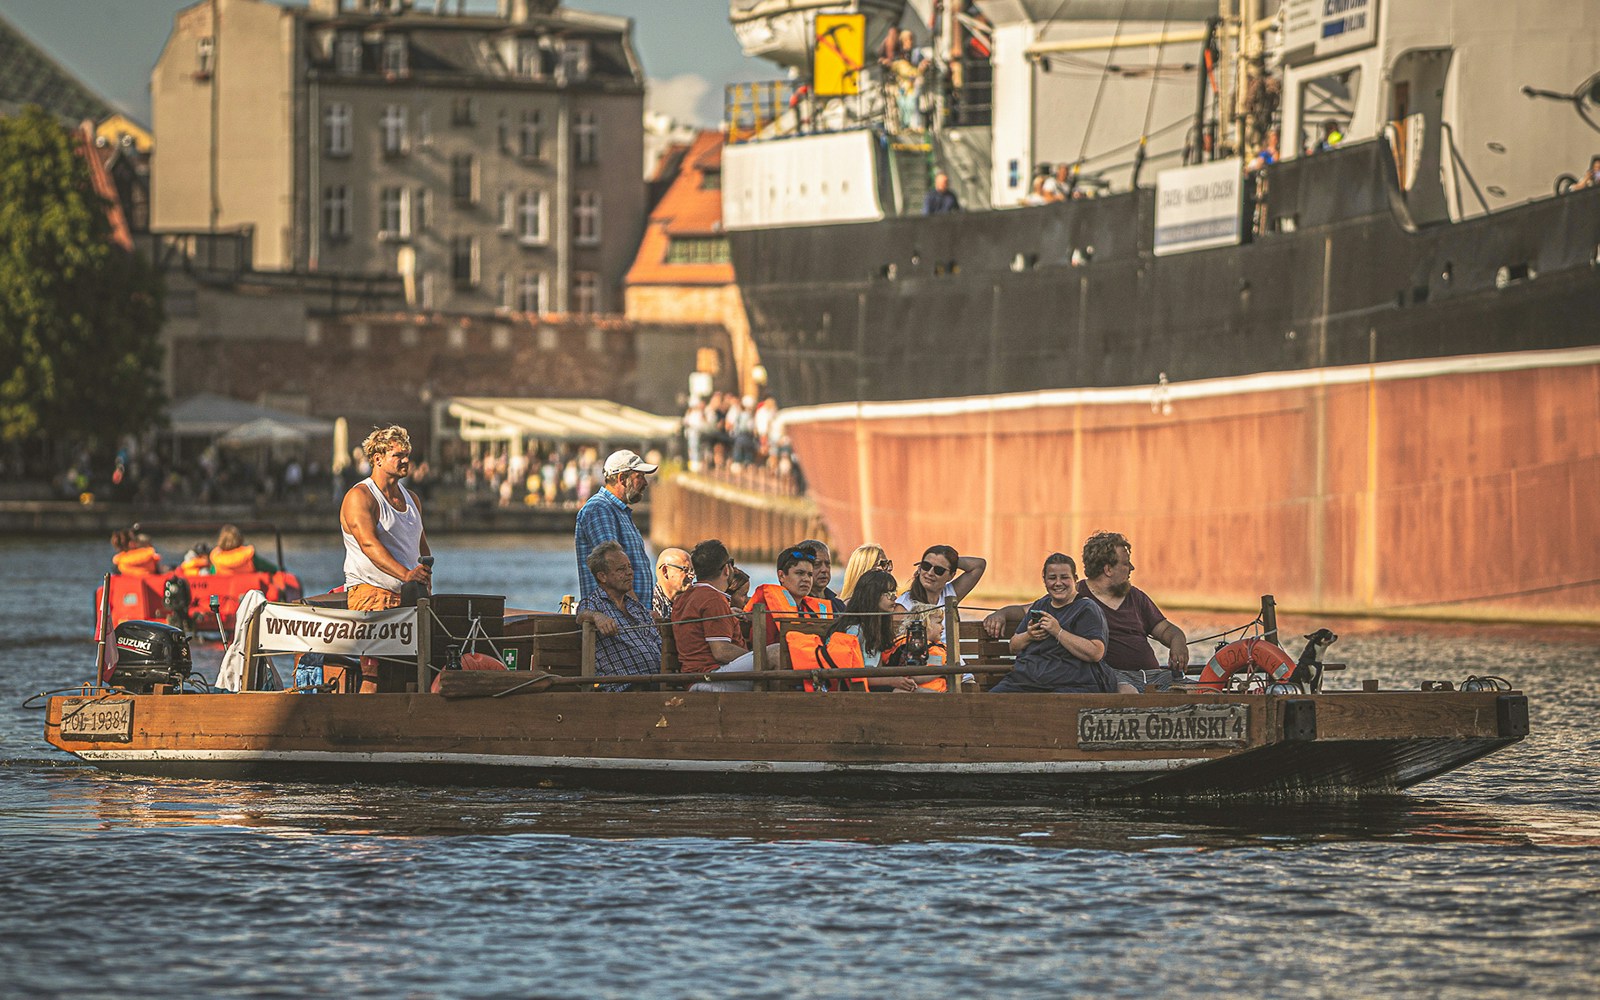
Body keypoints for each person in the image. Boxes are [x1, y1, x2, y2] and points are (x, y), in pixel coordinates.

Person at [984, 530, 1187, 690]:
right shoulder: (1074, 595)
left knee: (1195, 690)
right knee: (1127, 695)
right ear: (1108, 569)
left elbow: (1166, 630)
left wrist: (1179, 643)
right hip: (1114, 680)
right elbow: (1025, 611)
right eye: (1125, 564)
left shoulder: (1136, 597)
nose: (1131, 568)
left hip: (1153, 676)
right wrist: (1001, 614)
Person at [989, 553, 1134, 694]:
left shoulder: (1086, 608)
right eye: (1052, 578)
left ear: (1075, 579)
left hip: (1070, 682)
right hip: (1027, 680)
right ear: (1045, 580)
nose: (1058, 583)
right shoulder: (1040, 605)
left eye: (1064, 577)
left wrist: (1058, 631)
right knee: (990, 701)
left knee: (1054, 707)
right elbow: (1013, 646)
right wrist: (1029, 635)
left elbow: (1096, 652)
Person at [339, 425, 432, 616]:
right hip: (372, 596)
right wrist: (407, 575)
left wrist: (425, 578)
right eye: (398, 456)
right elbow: (368, 544)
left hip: (410, 597)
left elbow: (421, 545)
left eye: (407, 454)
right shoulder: (360, 496)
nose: (406, 460)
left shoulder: (412, 499)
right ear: (378, 459)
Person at [576, 541, 662, 690]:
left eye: (629, 567)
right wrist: (597, 617)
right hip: (624, 687)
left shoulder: (635, 606)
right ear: (602, 577)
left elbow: (657, 642)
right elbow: (581, 615)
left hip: (657, 681)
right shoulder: (595, 603)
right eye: (621, 569)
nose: (629, 572)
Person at [574, 449, 658, 603]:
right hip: (616, 619)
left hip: (629, 617)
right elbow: (613, 567)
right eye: (639, 477)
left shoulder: (618, 511)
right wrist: (638, 612)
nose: (645, 483)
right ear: (622, 478)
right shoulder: (600, 508)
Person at [672, 539, 755, 692]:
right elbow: (721, 651)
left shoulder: (684, 597)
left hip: (694, 678)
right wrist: (756, 656)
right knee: (774, 654)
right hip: (711, 678)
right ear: (726, 569)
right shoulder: (713, 599)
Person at [823, 569, 916, 692]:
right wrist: (893, 681)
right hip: (852, 692)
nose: (894, 597)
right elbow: (852, 676)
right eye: (887, 593)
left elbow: (877, 668)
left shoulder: (876, 629)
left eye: (894, 592)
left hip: (871, 689)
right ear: (871, 595)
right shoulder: (854, 631)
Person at [744, 546, 831, 648]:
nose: (806, 579)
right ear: (781, 576)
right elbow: (765, 652)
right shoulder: (769, 612)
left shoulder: (812, 610)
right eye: (799, 573)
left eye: (810, 574)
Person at [895, 544, 985, 641]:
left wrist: (951, 561)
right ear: (919, 568)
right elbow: (898, 644)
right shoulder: (904, 604)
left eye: (939, 570)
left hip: (950, 655)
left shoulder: (949, 593)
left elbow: (979, 565)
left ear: (951, 575)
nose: (930, 573)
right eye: (926, 566)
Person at [208, 523, 279, 574]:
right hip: (248, 592)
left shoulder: (216, 560)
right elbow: (272, 569)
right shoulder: (249, 557)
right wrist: (280, 570)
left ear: (220, 541)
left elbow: (211, 575)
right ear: (240, 539)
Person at [796, 539, 844, 613]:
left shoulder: (838, 605)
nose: (824, 570)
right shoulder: (797, 605)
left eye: (827, 564)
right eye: (817, 564)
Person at [653, 547, 693, 621]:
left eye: (692, 570)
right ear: (665, 571)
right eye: (685, 570)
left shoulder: (693, 604)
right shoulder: (647, 606)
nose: (691, 576)